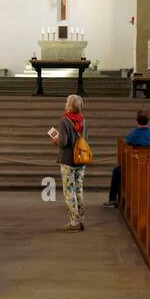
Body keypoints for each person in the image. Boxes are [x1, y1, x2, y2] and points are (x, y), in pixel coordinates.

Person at [49, 93, 88, 231]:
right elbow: (85, 138)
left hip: (67, 161)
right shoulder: (82, 120)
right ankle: (81, 217)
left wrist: (55, 140)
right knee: (79, 189)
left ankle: (74, 221)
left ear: (69, 105)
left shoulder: (64, 121)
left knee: (69, 191)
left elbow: (63, 142)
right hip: (80, 160)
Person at [105, 110, 150, 207]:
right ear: (148, 120)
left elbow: (125, 144)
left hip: (135, 166)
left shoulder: (134, 134)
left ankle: (112, 200)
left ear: (137, 120)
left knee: (117, 171)